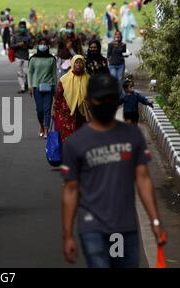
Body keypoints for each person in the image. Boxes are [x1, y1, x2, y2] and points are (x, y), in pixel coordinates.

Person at [61, 73, 166, 268]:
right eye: (101, 99)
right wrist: (67, 235)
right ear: (89, 100)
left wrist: (155, 221)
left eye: (111, 98)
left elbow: (143, 179)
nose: (106, 103)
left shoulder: (132, 135)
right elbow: (70, 190)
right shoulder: (75, 143)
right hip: (92, 227)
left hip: (126, 226)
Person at [53, 55, 91, 142]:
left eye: (81, 62)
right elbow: (58, 96)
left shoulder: (88, 79)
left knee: (81, 137)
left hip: (82, 113)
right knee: (67, 137)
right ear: (73, 64)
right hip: (66, 112)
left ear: (83, 64)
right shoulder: (64, 79)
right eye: (76, 62)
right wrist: (55, 109)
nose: (78, 64)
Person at [28, 36, 57, 139]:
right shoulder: (33, 59)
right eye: (41, 44)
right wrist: (30, 85)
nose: (43, 46)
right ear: (38, 45)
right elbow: (30, 72)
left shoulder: (52, 59)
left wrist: (56, 88)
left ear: (48, 46)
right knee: (39, 110)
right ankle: (41, 125)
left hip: (49, 87)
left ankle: (46, 130)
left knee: (47, 110)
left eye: (45, 44)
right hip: (36, 87)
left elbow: (54, 74)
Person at [10, 20, 34, 93]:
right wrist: (18, 44)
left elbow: (31, 46)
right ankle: (22, 87)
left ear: (25, 27)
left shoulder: (28, 36)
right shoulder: (15, 36)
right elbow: (11, 45)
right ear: (19, 27)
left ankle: (27, 85)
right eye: (21, 27)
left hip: (26, 57)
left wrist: (26, 45)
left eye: (24, 27)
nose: (22, 28)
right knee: (19, 73)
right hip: (18, 57)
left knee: (27, 72)